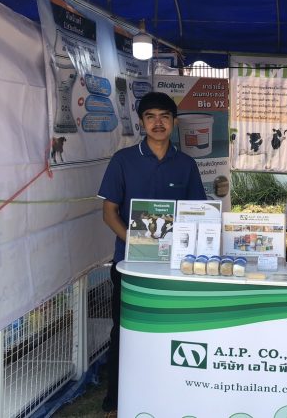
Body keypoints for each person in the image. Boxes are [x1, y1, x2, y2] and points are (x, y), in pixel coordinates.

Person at [97, 91, 206, 414]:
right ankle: (116, 399)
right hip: (130, 265)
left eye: (164, 117)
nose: (158, 123)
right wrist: (136, 244)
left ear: (174, 122)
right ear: (142, 122)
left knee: (172, 331)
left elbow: (197, 213)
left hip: (175, 267)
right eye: (150, 117)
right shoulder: (123, 160)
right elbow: (109, 213)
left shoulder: (186, 165)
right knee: (125, 332)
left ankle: (170, 393)